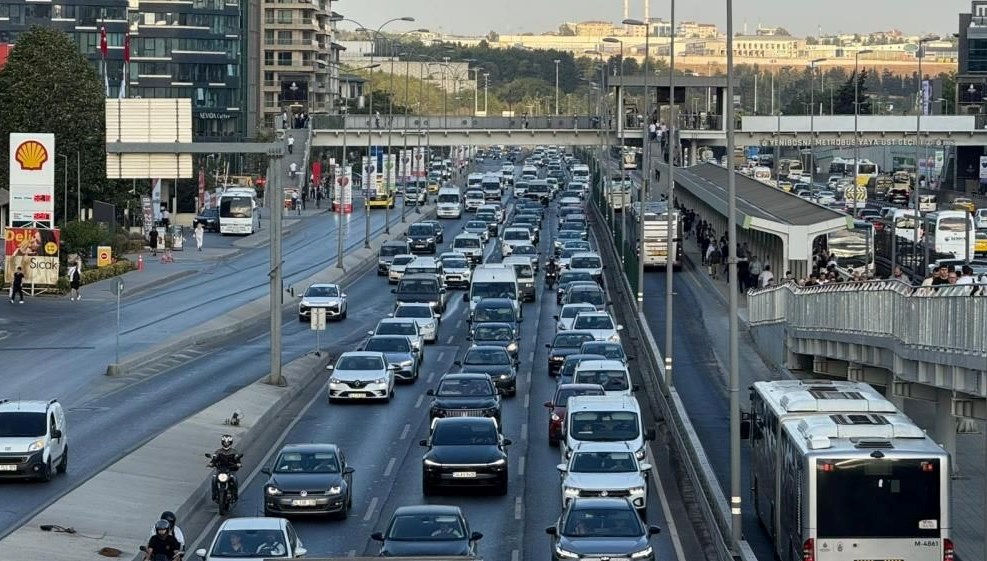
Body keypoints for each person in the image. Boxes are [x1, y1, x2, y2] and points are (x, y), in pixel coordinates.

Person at [209, 434, 241, 501]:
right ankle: (214, 494)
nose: (226, 444)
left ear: (230, 443)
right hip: (220, 470)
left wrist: (238, 464)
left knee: (234, 479)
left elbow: (237, 459)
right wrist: (211, 463)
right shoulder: (218, 451)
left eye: (227, 442)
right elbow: (214, 458)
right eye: (225, 442)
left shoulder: (234, 452)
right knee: (214, 478)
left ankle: (235, 494)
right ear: (222, 442)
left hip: (230, 470)